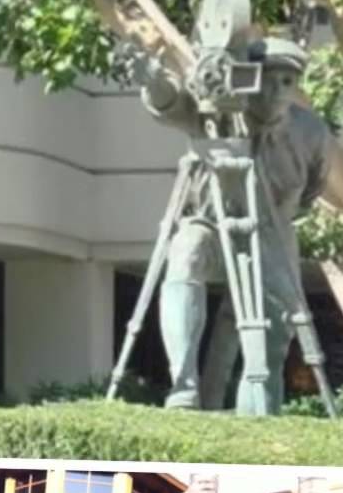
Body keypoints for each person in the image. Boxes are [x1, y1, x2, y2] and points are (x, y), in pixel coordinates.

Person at [138, 36, 332, 415]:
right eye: (266, 79)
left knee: (276, 330)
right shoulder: (214, 112)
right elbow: (170, 106)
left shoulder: (311, 133)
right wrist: (155, 82)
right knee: (186, 252)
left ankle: (256, 420)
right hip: (212, 223)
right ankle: (183, 387)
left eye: (287, 81)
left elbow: (312, 189)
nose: (277, 90)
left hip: (273, 231)